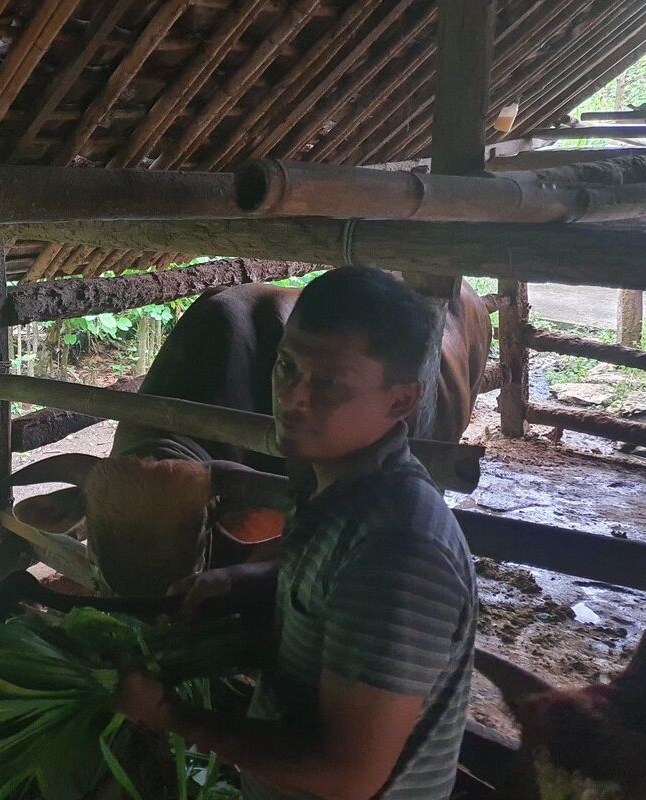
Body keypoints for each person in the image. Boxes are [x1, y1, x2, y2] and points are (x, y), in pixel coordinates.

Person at [113, 266, 478, 800]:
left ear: (401, 402)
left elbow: (345, 774)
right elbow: (335, 590)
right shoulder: (336, 496)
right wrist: (244, 581)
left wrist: (170, 715)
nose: (293, 397)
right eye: (286, 366)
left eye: (327, 382)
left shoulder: (399, 551)